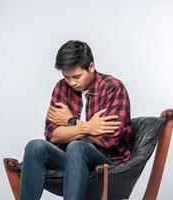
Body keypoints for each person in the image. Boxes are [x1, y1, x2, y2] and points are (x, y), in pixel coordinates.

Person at [18, 40, 132, 200]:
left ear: (91, 67)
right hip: (70, 162)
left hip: (106, 164)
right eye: (67, 77)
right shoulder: (61, 88)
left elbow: (109, 140)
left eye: (77, 76)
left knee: (76, 146)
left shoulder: (113, 88)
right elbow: (52, 135)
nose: (72, 83)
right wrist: (88, 127)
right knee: (35, 146)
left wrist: (70, 122)